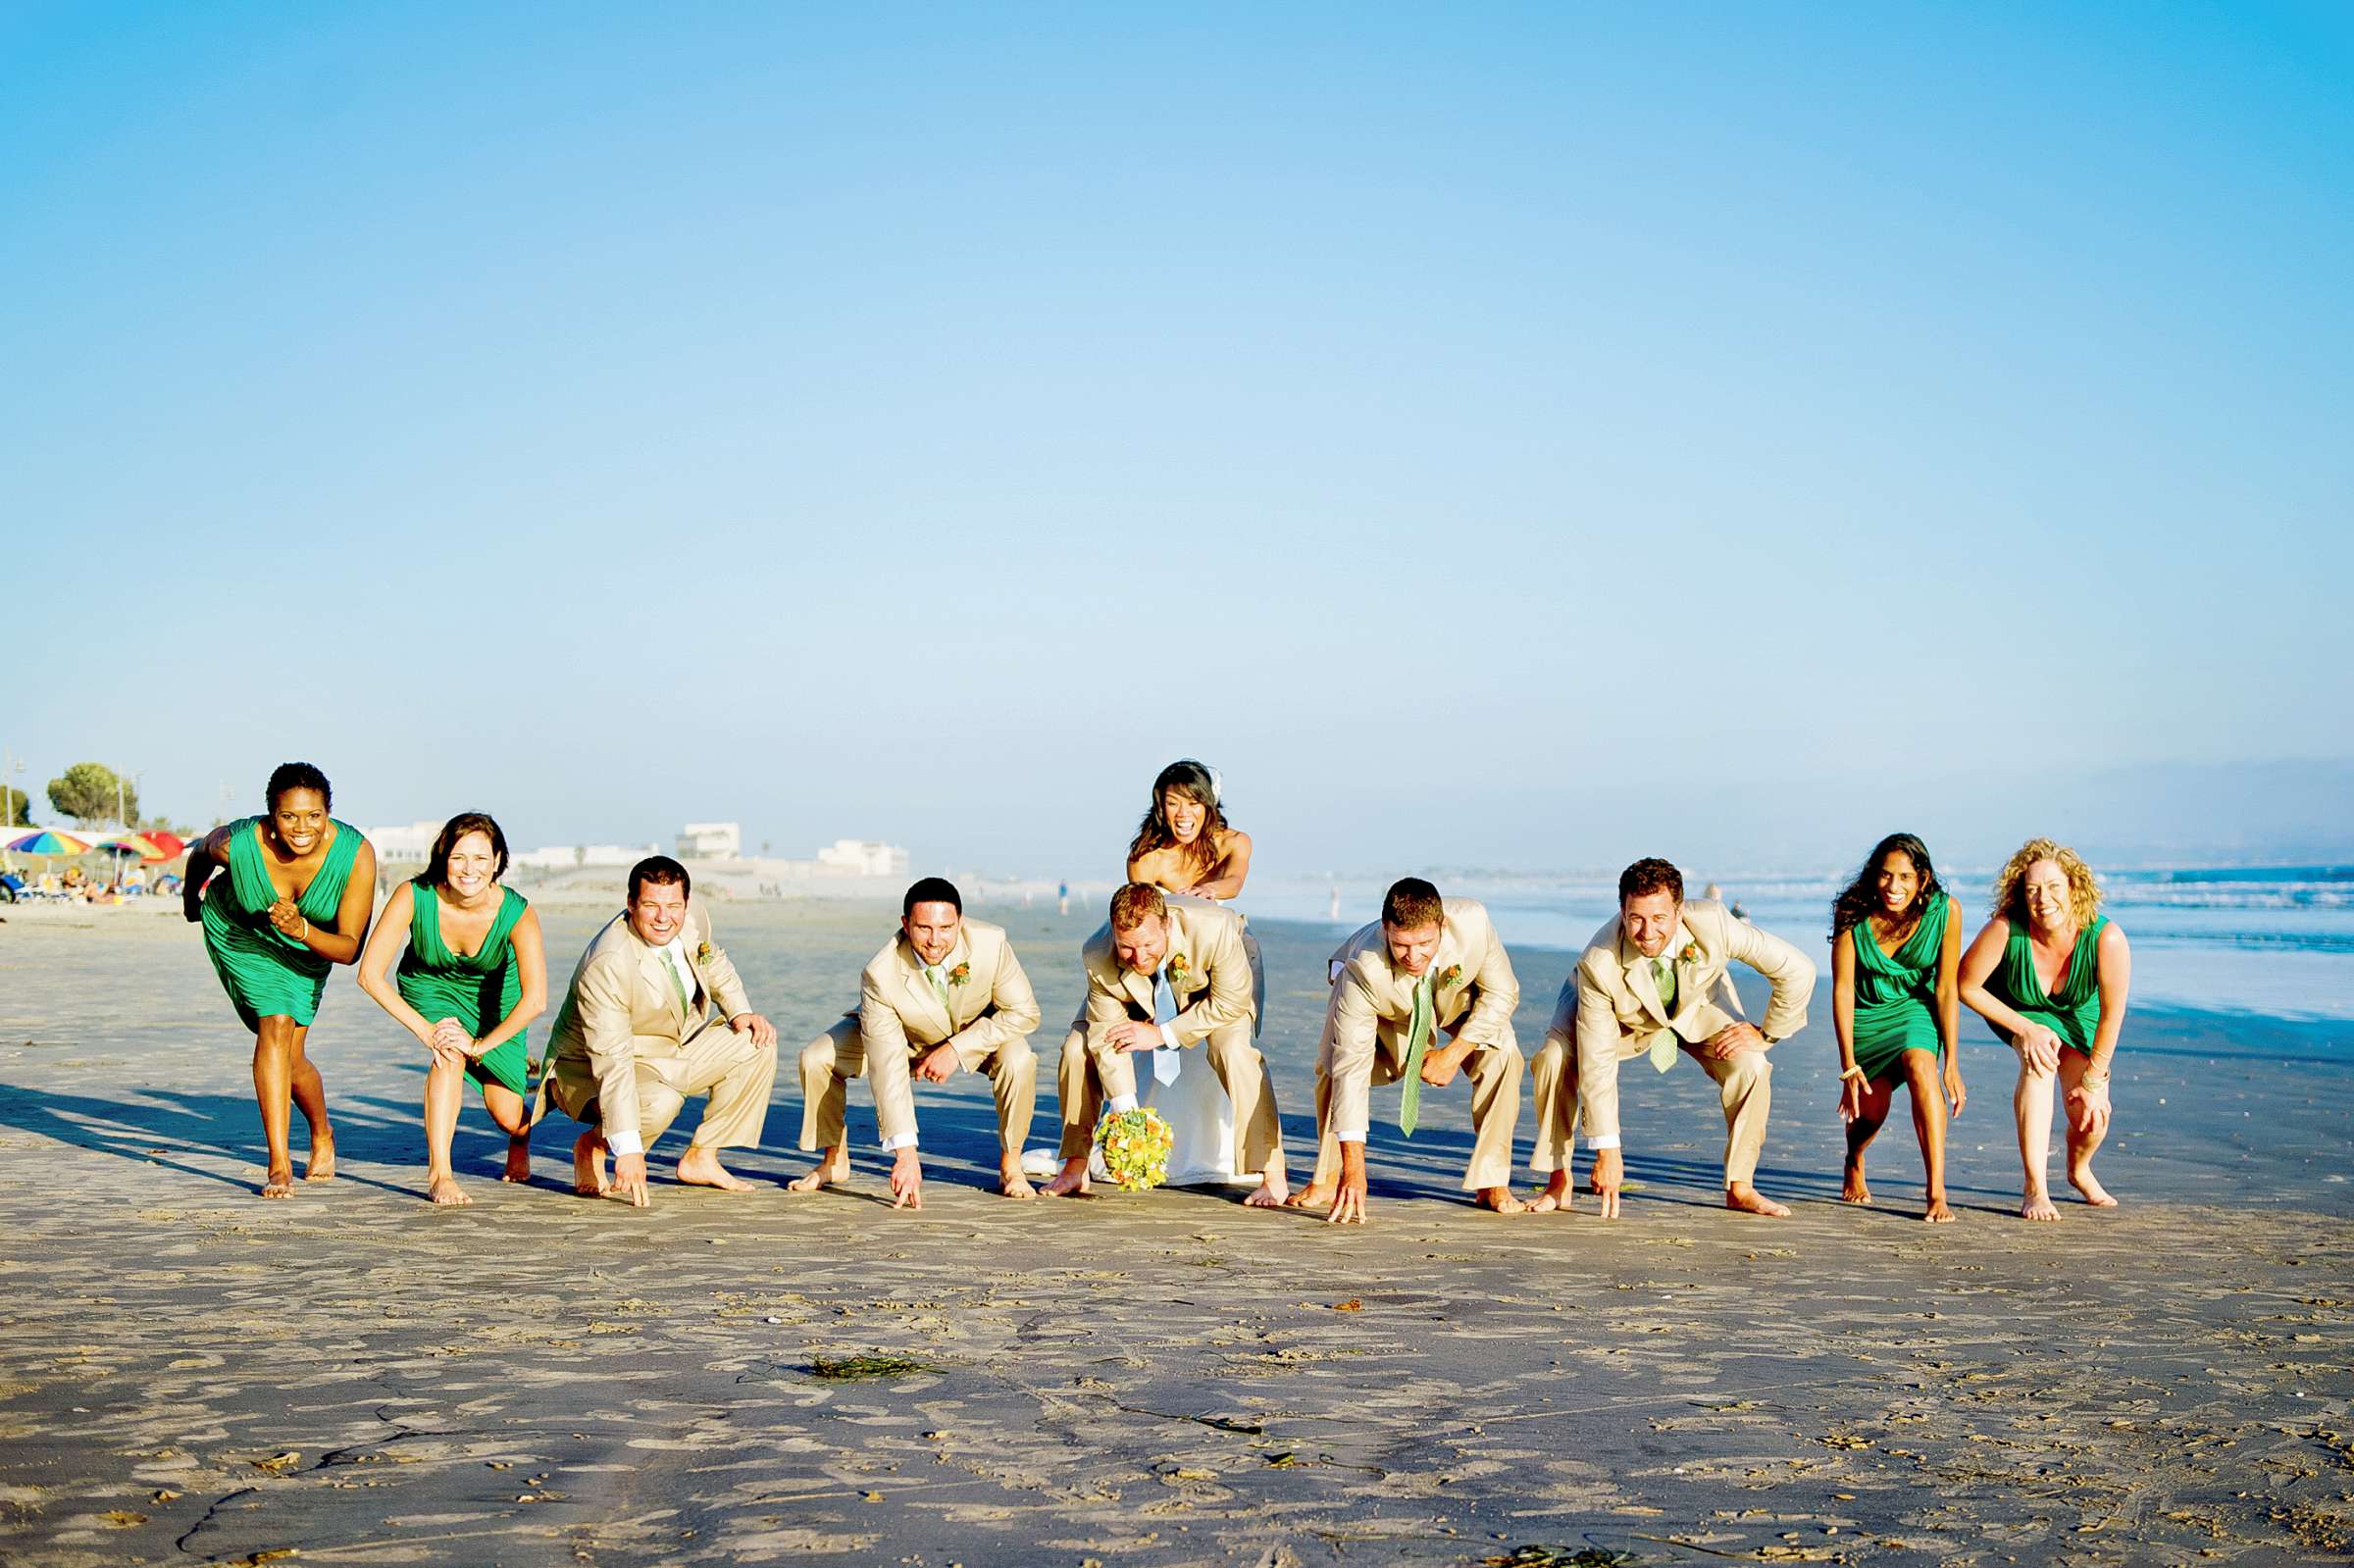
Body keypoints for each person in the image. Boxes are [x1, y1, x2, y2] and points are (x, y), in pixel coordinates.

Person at [1530, 858, 1814, 1220]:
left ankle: (1740, 1186)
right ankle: (1559, 1179)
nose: (1648, 932)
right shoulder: (1598, 962)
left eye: (1660, 918)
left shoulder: (1714, 923)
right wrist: (1608, 1150)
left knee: (1752, 1064)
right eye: (1636, 918)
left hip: (1700, 1007)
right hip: (1622, 1016)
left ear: (1679, 912)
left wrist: (1767, 1032)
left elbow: (1797, 969)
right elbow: (1597, 1060)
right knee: (1556, 1056)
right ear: (1622, 912)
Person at [183, 762, 378, 1198]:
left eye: (314, 815)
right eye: (289, 816)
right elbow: (198, 854)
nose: (301, 827)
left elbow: (349, 950)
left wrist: (302, 930)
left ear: (329, 812)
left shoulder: (356, 854)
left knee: (290, 1057)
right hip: (240, 935)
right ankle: (279, 1163)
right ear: (271, 815)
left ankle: (322, 1132)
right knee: (275, 1025)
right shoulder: (235, 844)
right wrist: (189, 900)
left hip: (310, 949)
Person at [538, 855, 778, 1206]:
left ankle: (702, 1157)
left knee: (757, 1043)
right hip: (591, 1069)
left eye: (673, 906)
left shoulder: (689, 920)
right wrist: (630, 1147)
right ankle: (594, 1144)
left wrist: (741, 1012)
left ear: (686, 903)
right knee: (662, 1101)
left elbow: (713, 962)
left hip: (671, 1048)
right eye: (650, 905)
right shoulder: (609, 963)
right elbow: (612, 1060)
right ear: (631, 904)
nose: (663, 917)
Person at [792, 877, 1043, 1207]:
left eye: (946, 928)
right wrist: (906, 1156)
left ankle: (1011, 1164)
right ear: (905, 925)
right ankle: (834, 1160)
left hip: (975, 1036)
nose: (935, 941)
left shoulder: (991, 943)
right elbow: (887, 1066)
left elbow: (1025, 1013)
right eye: (924, 928)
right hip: (903, 1040)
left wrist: (956, 1049)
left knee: (1019, 1058)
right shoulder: (879, 974)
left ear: (960, 923)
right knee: (817, 1057)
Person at [1292, 878, 1526, 1223]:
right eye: (1401, 945)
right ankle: (1329, 1176)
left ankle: (1492, 1180)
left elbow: (1503, 993)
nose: (1413, 957)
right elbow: (1351, 1066)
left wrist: (1454, 1052)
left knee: (1505, 1051)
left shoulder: (1474, 923)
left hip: (1456, 1004)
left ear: (1442, 926)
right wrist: (1356, 1171)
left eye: (1425, 944)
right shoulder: (1363, 967)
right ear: (1386, 928)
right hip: (1391, 1010)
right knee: (1334, 1063)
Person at [1043, 884, 1287, 1205]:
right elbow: (1105, 1035)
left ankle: (1273, 1174)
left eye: (1147, 944)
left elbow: (1230, 1001)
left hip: (1221, 982)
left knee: (1233, 1051)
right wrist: (1127, 1117)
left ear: (1167, 925)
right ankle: (1075, 1164)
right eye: (1126, 947)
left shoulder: (1215, 928)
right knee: (1076, 1048)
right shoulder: (1097, 953)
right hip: (1140, 992)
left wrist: (1160, 1033)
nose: (1139, 957)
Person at [357, 812, 547, 1205]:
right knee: (449, 1050)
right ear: (443, 856)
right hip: (431, 987)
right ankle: (440, 1173)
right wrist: (427, 1032)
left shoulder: (518, 913)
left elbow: (536, 1001)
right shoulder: (414, 895)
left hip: (496, 1000)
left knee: (508, 1115)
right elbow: (370, 976)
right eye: (459, 857)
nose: (469, 869)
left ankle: (520, 1137)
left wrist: (480, 1045)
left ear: (497, 862)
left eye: (481, 859)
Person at [1959, 837, 2131, 1222]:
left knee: (2091, 1117)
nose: (2043, 899)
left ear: (2074, 888)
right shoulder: (2005, 929)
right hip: (2021, 1011)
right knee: (2038, 1062)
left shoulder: (2107, 938)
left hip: (2081, 1018)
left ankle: (2079, 1168)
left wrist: (2093, 1080)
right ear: (2021, 894)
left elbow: (2111, 1015)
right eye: (2033, 889)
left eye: (2054, 887)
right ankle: (2035, 1187)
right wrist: (2025, 1028)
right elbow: (1965, 986)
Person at [1122, 759, 1265, 1182]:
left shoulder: (1233, 842)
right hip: (1166, 962)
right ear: (1159, 807)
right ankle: (1154, 1146)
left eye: (1192, 802)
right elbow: (1140, 918)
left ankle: (1236, 1154)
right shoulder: (1146, 859)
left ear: (1209, 804)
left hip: (1225, 955)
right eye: (1172, 804)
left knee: (1226, 1044)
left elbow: (1234, 881)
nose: (1183, 814)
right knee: (1158, 1040)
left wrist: (1208, 892)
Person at [1828, 833, 1965, 1222]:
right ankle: (1854, 1158)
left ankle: (1936, 1190)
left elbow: (1945, 987)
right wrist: (1848, 1063)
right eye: (1886, 876)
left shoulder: (1946, 911)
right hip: (1868, 1013)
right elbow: (1842, 990)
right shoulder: (1852, 912)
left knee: (1923, 1069)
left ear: (1922, 878)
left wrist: (1951, 1060)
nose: (1894, 887)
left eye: (1905, 877)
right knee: (1871, 1113)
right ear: (1874, 876)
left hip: (1914, 1009)